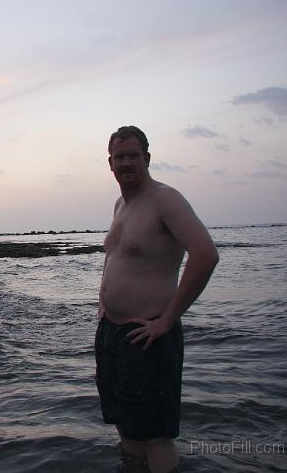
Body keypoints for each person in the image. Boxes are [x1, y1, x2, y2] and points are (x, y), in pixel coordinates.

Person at [95, 126, 219, 473]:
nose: (126, 162)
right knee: (125, 424)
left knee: (156, 435)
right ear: (110, 163)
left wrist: (166, 320)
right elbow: (115, 256)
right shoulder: (121, 204)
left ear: (147, 158)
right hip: (112, 333)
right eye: (119, 157)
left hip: (148, 333)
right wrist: (102, 305)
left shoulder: (166, 199)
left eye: (133, 155)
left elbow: (206, 255)